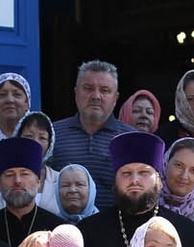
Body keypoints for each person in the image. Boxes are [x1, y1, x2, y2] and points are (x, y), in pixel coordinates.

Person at [79, 131, 194, 247]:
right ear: (115, 182)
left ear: (159, 181)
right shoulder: (88, 232)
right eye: (126, 173)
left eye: (144, 173)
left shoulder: (188, 233)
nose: (134, 180)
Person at [50, 60, 134, 211]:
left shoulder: (131, 139)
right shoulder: (52, 134)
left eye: (105, 90)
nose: (96, 96)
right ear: (76, 92)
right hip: (61, 229)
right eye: (88, 88)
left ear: (116, 98)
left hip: (114, 230)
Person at [0, 135, 67, 247]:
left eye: (25, 174)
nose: (17, 181)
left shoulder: (57, 229)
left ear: (38, 182)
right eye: (10, 175)